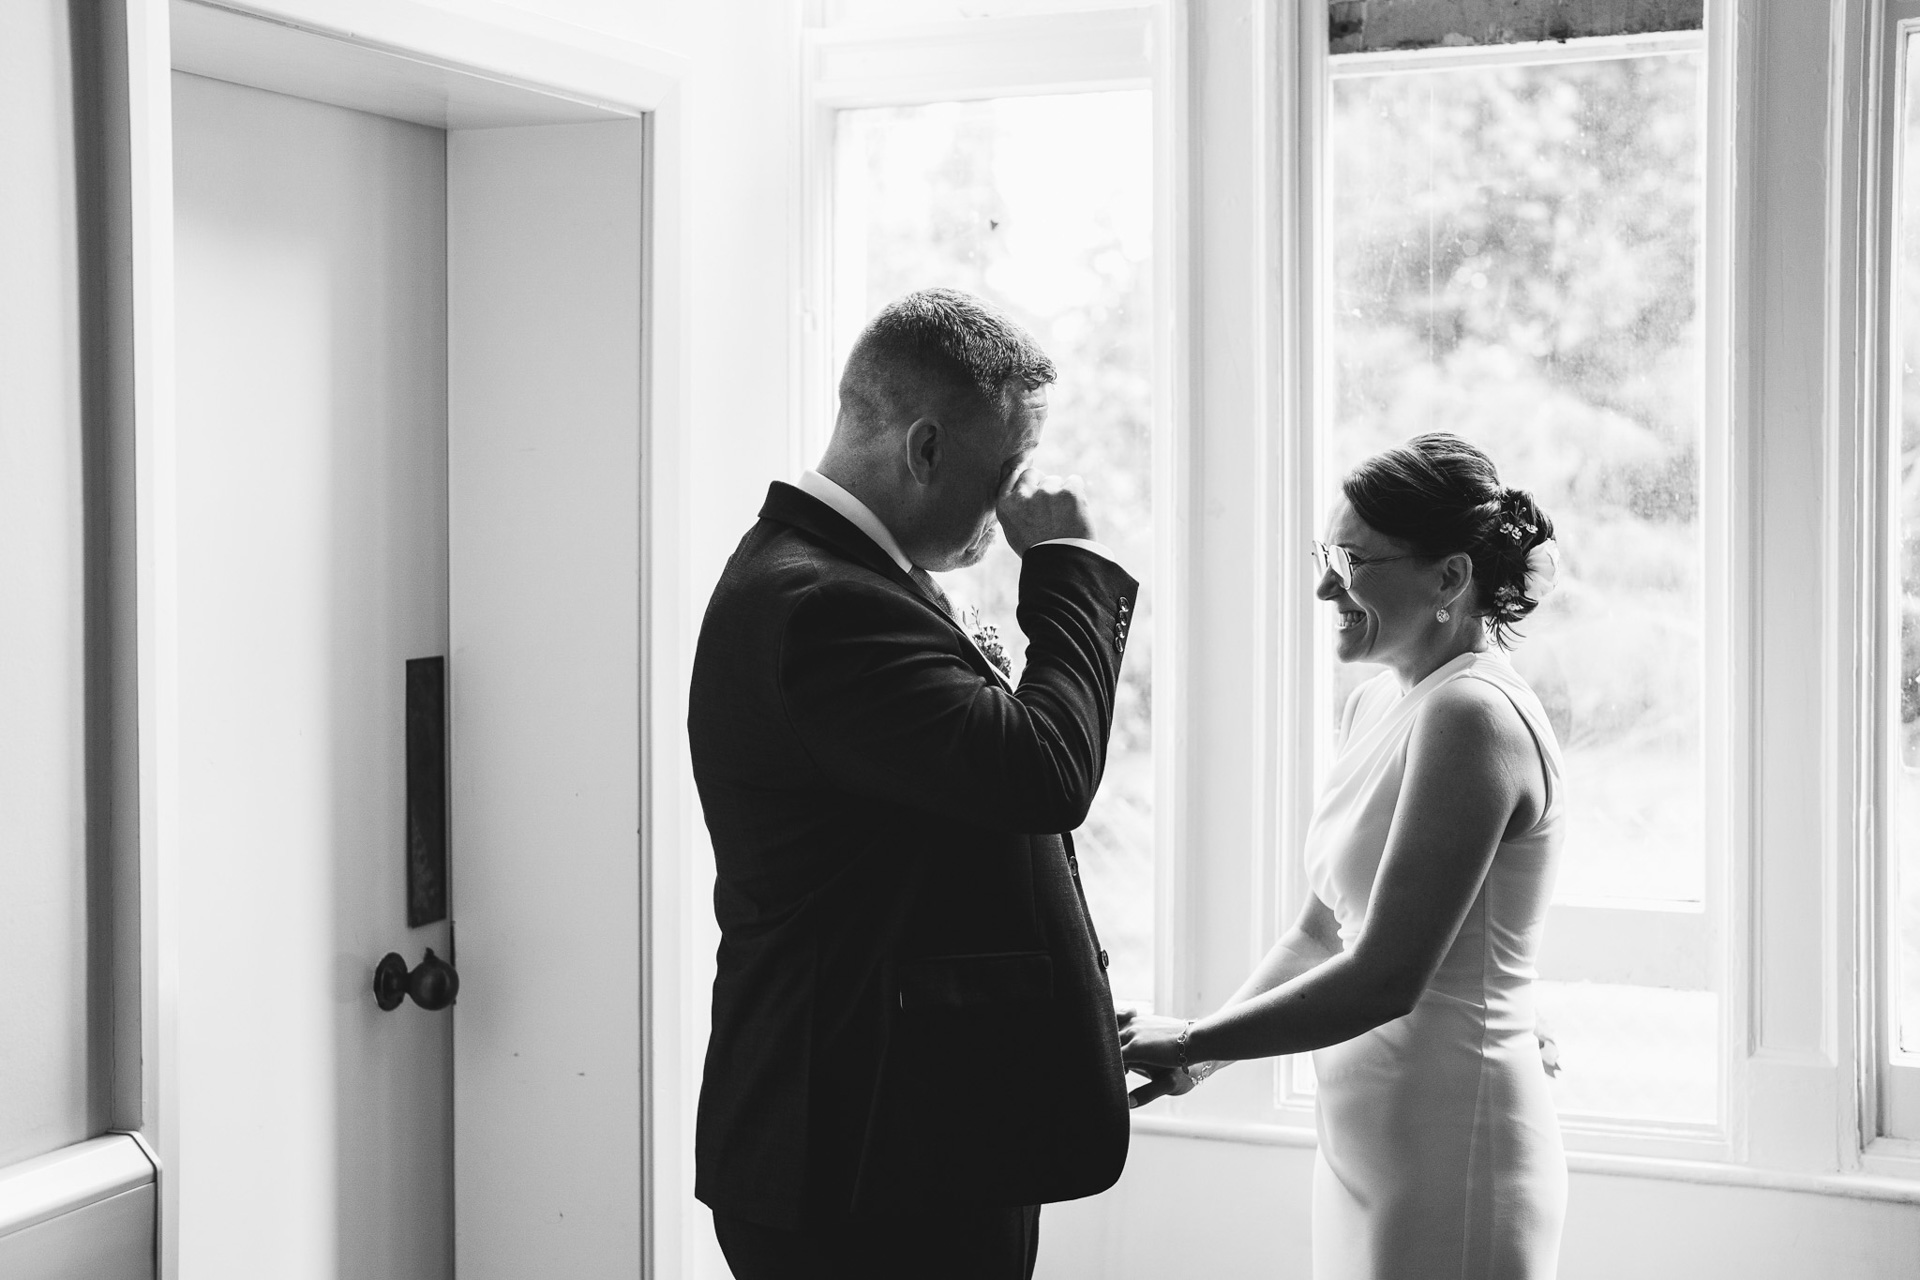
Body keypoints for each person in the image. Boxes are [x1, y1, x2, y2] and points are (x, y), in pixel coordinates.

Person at [688, 288, 1143, 1280]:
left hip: (908, 1127)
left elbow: (926, 845)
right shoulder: (823, 605)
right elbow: (1043, 772)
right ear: (926, 449)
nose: (1021, 500)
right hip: (863, 1162)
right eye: (1010, 470)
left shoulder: (849, 581)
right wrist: (1067, 564)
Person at [1121, 433, 1568, 1280]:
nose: (1326, 583)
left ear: (1449, 578)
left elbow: (1387, 974)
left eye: (1354, 560)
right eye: (1328, 554)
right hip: (1369, 1151)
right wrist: (1205, 1057)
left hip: (1454, 1146)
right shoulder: (1378, 704)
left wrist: (1187, 1037)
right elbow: (1320, 931)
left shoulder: (1473, 715)